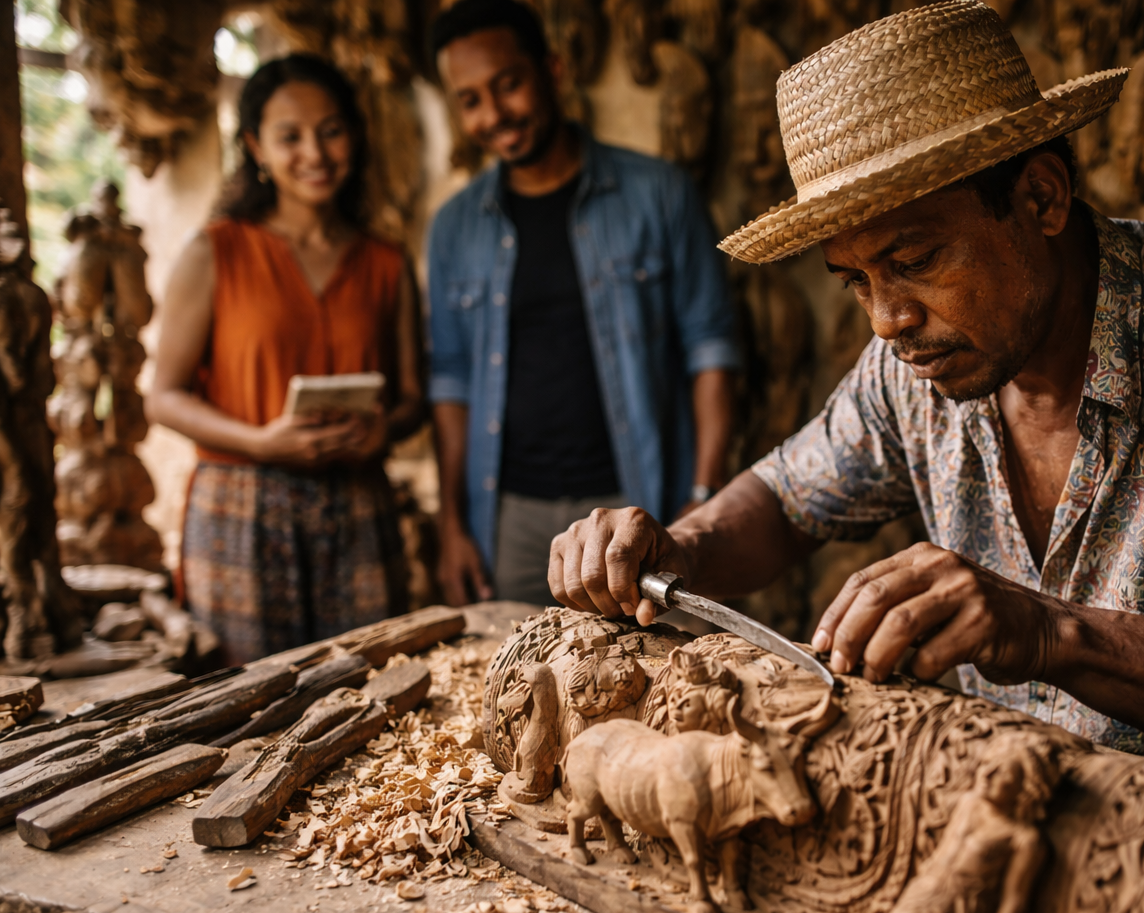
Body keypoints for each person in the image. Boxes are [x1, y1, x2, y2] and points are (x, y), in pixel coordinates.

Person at [548, 1, 1144, 827]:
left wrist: (1054, 635)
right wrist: (677, 549)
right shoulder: (914, 369)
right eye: (856, 280)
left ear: (1040, 198)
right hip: (1023, 842)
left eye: (914, 260)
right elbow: (786, 501)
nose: (886, 319)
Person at [426, 0, 739, 607]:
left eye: (508, 84)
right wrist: (452, 526)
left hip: (639, 504)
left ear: (553, 70)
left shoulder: (660, 194)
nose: (494, 114)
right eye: (470, 100)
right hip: (509, 522)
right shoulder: (453, 229)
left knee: (659, 663)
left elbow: (711, 351)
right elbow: (451, 386)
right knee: (515, 665)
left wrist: (703, 498)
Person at [148, 55, 425, 664]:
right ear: (256, 147)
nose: (315, 153)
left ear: (355, 136)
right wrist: (258, 441)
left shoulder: (386, 263)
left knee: (373, 693)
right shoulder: (215, 252)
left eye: (331, 131)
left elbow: (412, 399)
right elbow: (162, 397)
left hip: (358, 504)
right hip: (239, 508)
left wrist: (382, 429)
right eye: (289, 136)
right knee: (248, 698)